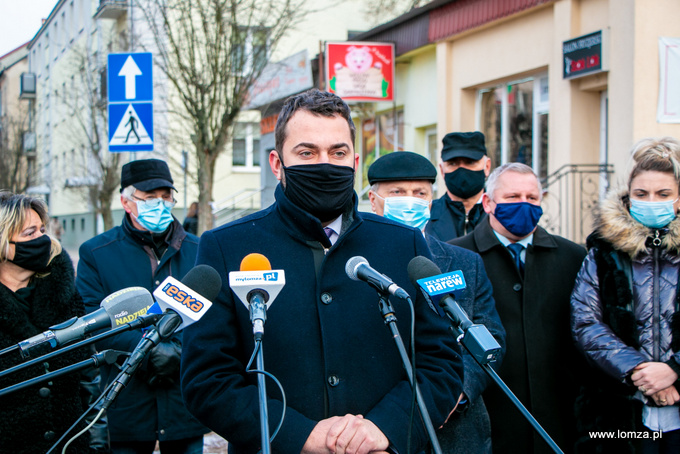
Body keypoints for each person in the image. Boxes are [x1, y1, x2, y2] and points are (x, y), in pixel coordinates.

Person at [180, 89, 464, 454]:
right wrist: (300, 435)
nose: (324, 164)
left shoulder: (404, 245)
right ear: (277, 163)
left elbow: (440, 362)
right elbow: (207, 381)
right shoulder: (225, 247)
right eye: (307, 152)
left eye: (338, 152)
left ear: (355, 161)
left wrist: (385, 428)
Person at [367, 151, 506, 454]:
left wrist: (455, 392)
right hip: (380, 431)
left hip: (457, 430)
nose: (410, 200)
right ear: (374, 200)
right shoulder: (356, 266)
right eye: (398, 192)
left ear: (431, 202)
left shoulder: (465, 263)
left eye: (419, 193)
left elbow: (490, 335)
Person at [450, 163, 586, 454]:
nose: (524, 205)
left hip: (559, 423)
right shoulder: (456, 257)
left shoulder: (574, 257)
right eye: (513, 197)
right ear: (488, 202)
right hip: (487, 424)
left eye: (532, 198)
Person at [76, 159, 207, 454]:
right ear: (126, 202)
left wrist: (179, 350)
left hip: (184, 396)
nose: (160, 204)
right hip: (128, 398)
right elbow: (94, 320)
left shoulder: (199, 250)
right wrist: (149, 350)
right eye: (149, 198)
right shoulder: (97, 253)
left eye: (165, 197)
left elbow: (213, 314)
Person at [571, 137, 680, 453]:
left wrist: (673, 370)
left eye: (663, 194)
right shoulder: (603, 252)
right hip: (620, 415)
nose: (651, 200)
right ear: (628, 198)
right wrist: (638, 371)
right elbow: (585, 323)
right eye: (641, 194)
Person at [0, 192, 90, 453]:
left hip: (69, 444)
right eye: (30, 233)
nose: (42, 239)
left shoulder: (65, 295)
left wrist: (95, 444)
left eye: (42, 230)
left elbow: (88, 378)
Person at [424, 131, 491, 242]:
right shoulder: (425, 216)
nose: (462, 170)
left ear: (487, 167)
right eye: (453, 163)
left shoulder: (501, 214)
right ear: (442, 170)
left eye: (470, 162)